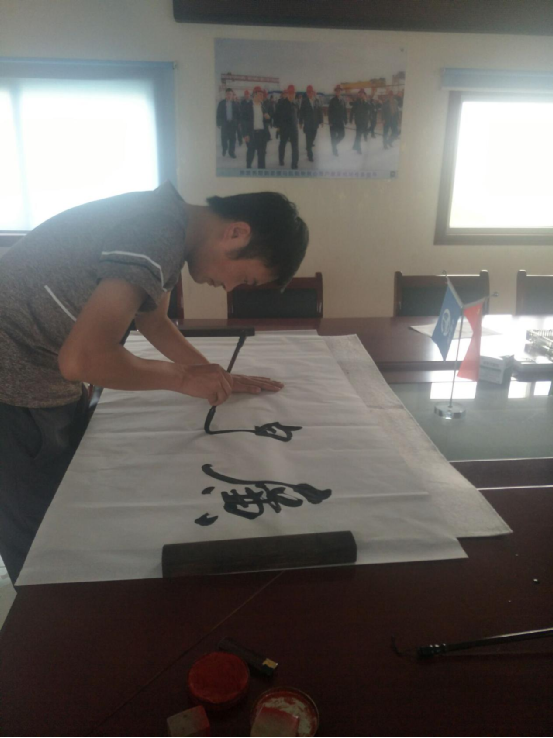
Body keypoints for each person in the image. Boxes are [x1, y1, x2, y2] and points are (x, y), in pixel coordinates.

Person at [0, 186, 309, 584]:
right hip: (13, 385)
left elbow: (154, 322)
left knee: (68, 513)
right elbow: (83, 360)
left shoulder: (170, 221)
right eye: (245, 278)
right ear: (236, 233)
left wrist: (212, 373)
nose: (231, 289)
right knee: (44, 547)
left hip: (39, 372)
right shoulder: (158, 233)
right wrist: (183, 378)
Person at [242, 86, 271, 169]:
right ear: (254, 94)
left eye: (262, 95)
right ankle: (248, 166)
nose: (262, 96)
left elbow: (267, 121)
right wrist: (245, 134)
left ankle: (261, 171)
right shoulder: (247, 106)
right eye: (260, 94)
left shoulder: (263, 106)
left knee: (262, 155)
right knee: (251, 152)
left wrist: (268, 118)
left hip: (262, 134)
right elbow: (243, 121)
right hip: (252, 134)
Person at [274, 85, 299, 169]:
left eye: (293, 93)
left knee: (295, 147)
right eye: (290, 93)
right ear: (287, 94)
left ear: (294, 94)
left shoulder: (295, 104)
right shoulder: (281, 104)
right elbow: (276, 116)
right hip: (284, 129)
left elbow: (296, 115)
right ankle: (281, 160)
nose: (291, 95)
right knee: (282, 145)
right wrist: (278, 127)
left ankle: (294, 164)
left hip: (294, 129)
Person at [298, 85, 323, 163]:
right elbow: (301, 112)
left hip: (315, 123)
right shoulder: (304, 101)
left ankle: (308, 146)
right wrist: (300, 122)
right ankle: (310, 155)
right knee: (308, 139)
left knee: (313, 137)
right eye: (308, 92)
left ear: (312, 92)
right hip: (308, 124)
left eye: (310, 92)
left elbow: (319, 111)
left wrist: (321, 121)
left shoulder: (316, 101)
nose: (309, 93)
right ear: (307, 93)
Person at [216, 88, 240, 158]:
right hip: (224, 124)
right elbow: (218, 113)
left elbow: (238, 114)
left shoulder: (235, 104)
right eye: (227, 94)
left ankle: (231, 152)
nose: (229, 95)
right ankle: (224, 148)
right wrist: (218, 123)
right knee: (224, 138)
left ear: (232, 95)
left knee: (233, 139)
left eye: (230, 94)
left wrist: (238, 123)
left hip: (233, 124)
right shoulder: (221, 103)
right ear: (225, 95)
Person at [328, 85, 347, 156]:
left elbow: (344, 111)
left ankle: (334, 143)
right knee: (333, 136)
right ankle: (334, 150)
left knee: (342, 135)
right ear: (335, 92)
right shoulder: (332, 101)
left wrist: (345, 119)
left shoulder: (343, 101)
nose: (338, 92)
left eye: (339, 90)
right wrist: (330, 121)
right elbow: (329, 111)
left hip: (340, 121)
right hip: (333, 122)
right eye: (337, 91)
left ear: (340, 91)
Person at [350, 88, 370, 154]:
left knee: (358, 134)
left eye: (362, 93)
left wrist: (365, 101)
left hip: (364, 121)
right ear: (359, 94)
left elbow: (369, 108)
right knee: (359, 134)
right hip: (358, 121)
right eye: (360, 93)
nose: (361, 94)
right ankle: (358, 149)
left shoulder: (366, 102)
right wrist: (351, 119)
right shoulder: (356, 102)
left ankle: (355, 146)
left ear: (364, 94)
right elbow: (352, 110)